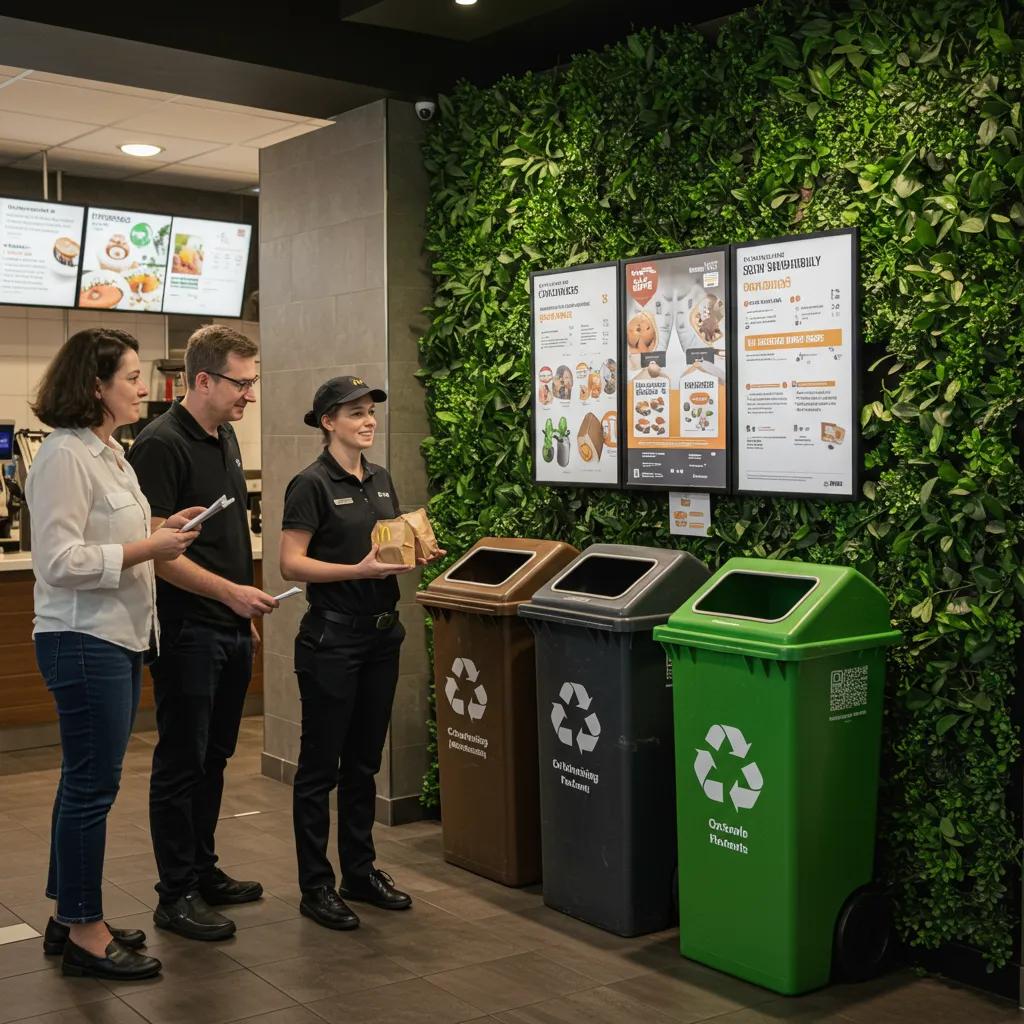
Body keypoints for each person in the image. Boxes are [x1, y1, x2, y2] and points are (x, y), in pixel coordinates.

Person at [26, 328, 205, 980]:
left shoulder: (112, 454)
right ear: (95, 386)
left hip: (120, 637)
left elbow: (121, 534)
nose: (143, 387)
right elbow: (60, 561)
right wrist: (147, 551)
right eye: (131, 376)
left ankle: (66, 916)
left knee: (85, 783)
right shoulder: (64, 457)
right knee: (91, 788)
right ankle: (84, 929)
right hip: (83, 639)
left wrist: (164, 529)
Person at [127, 324, 278, 942]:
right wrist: (230, 595)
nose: (250, 393)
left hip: (229, 627)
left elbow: (223, 538)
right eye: (241, 383)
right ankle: (176, 893)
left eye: (253, 381)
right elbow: (159, 552)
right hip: (188, 629)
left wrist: (242, 612)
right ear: (204, 380)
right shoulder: (160, 444)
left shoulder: (227, 435)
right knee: (182, 761)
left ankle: (203, 869)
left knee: (215, 758)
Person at [279, 375, 443, 930]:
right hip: (332, 638)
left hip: (380, 635)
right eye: (355, 414)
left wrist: (414, 549)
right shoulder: (311, 484)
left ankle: (360, 871)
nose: (368, 421)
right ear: (328, 422)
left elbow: (382, 547)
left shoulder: (379, 478)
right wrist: (358, 571)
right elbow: (291, 564)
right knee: (320, 766)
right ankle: (315, 885)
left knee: (364, 763)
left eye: (371, 412)